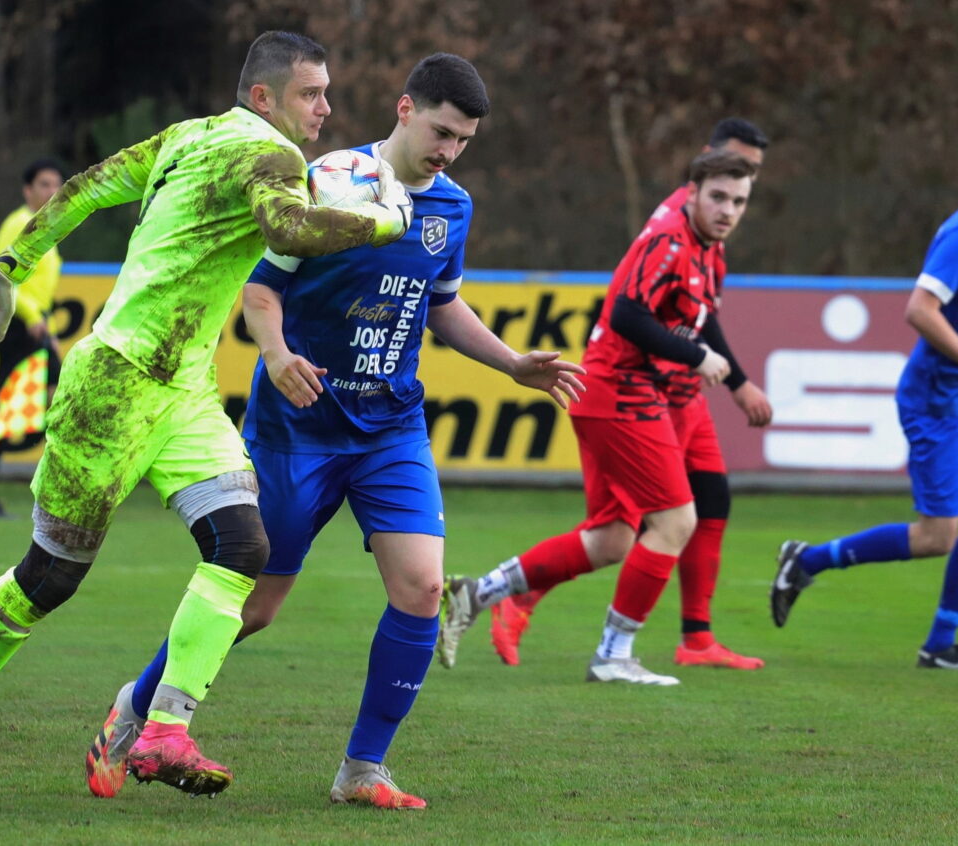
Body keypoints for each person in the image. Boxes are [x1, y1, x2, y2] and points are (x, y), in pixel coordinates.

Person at [0, 30, 414, 810]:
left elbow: (79, 188)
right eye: (312, 93)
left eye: (327, 93)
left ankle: (164, 727)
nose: (326, 108)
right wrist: (386, 220)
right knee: (51, 578)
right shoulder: (269, 155)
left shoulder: (186, 136)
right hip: (112, 386)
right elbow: (289, 231)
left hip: (182, 393)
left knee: (243, 544)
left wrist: (7, 267)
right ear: (264, 97)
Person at [81, 53, 585, 809]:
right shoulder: (325, 183)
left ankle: (362, 769)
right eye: (442, 131)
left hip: (391, 428)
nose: (450, 150)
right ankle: (134, 709)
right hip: (298, 430)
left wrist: (511, 362)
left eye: (465, 140)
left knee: (420, 590)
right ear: (405, 107)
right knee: (252, 607)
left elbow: (440, 302)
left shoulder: (453, 207)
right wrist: (278, 354)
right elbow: (259, 291)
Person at [438, 122, 772, 675]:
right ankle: (614, 654)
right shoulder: (670, 241)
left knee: (615, 538)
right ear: (691, 193)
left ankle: (480, 591)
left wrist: (726, 374)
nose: (729, 209)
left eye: (740, 200)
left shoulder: (709, 252)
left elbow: (687, 320)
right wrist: (698, 360)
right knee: (677, 521)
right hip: (621, 394)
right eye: (719, 196)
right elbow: (624, 314)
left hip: (616, 396)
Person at [770, 130, 958, 671]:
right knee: (936, 536)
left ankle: (939, 646)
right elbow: (919, 309)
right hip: (938, 398)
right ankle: (808, 560)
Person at [0, 159, 66, 519]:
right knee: (15, 410)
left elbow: (40, 291)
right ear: (27, 190)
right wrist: (33, 317)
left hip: (33, 328)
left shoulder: (48, 228)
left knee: (59, 400)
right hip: (15, 327)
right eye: (43, 184)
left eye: (57, 185)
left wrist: (48, 329)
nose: (52, 192)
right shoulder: (18, 223)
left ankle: (25, 474)